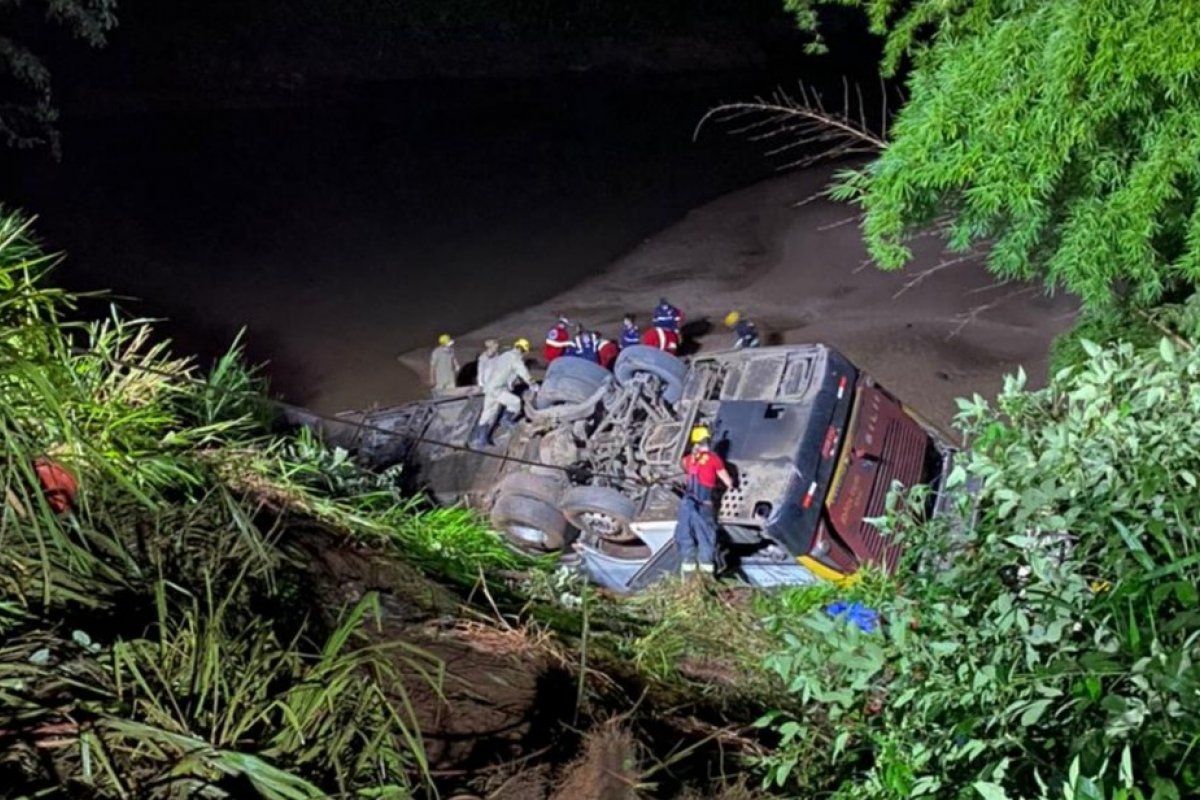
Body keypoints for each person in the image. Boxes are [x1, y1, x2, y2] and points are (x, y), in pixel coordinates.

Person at [674, 425, 734, 576]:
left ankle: (688, 576)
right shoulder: (714, 459)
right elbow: (728, 482)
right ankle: (706, 575)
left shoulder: (689, 460)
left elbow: (683, 466)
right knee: (706, 538)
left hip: (687, 506)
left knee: (686, 536)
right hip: (703, 506)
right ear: (708, 440)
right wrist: (730, 484)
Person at [470, 338, 537, 449]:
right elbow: (524, 373)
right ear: (523, 350)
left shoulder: (504, 355)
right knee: (515, 402)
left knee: (487, 413)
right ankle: (505, 420)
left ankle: (480, 440)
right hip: (498, 389)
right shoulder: (516, 359)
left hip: (489, 387)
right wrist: (533, 385)